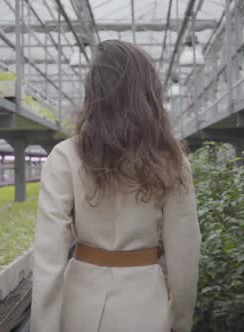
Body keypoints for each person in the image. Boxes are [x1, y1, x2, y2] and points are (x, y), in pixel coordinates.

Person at [30, 39, 201, 332]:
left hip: (79, 307)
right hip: (145, 308)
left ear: (92, 92)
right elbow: (184, 252)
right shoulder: (172, 162)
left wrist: (44, 326)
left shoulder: (65, 156)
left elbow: (49, 257)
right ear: (149, 94)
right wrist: (181, 320)